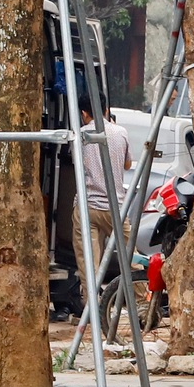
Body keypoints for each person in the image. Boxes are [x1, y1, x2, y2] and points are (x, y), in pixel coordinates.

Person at [74, 98, 134, 308]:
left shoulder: (80, 136)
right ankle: (144, 300)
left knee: (89, 262)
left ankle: (91, 306)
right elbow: (127, 165)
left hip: (87, 206)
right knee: (130, 255)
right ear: (107, 109)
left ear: (84, 113)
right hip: (115, 207)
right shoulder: (121, 133)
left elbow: (77, 165)